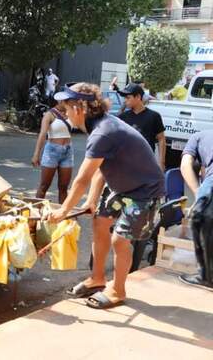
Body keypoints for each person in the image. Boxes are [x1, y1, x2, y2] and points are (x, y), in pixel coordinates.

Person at [49, 82, 164, 309]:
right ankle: (97, 278)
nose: (65, 113)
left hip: (144, 190)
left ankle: (117, 290)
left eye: (67, 107)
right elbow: (102, 168)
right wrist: (91, 201)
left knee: (119, 239)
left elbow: (82, 178)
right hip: (121, 186)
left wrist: (63, 211)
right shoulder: (101, 127)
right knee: (99, 222)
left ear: (81, 107)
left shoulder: (103, 131)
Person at [180, 130, 213, 290]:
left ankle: (206, 276)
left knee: (199, 220)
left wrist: (198, 193)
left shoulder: (198, 137)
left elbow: (185, 164)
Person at [31, 102, 73, 204]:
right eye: (67, 101)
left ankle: (63, 215)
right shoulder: (49, 114)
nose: (70, 103)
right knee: (44, 185)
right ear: (60, 101)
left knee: (63, 187)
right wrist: (36, 154)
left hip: (68, 151)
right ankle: (36, 211)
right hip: (52, 151)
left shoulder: (70, 113)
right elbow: (42, 134)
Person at [118, 83, 166, 171]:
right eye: (124, 98)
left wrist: (161, 162)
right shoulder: (122, 117)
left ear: (138, 97)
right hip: (125, 164)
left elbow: (161, 139)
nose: (125, 100)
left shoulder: (154, 116)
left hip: (147, 164)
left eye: (128, 98)